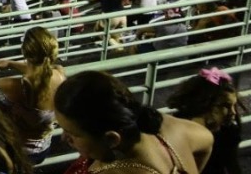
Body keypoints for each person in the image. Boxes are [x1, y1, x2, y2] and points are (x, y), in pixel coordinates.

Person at [53, 70, 214, 174]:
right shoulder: (167, 128)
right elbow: (207, 139)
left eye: (72, 133)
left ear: (111, 139)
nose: (64, 138)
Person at [0, 26, 66, 164]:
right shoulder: (61, 76)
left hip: (16, 152)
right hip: (42, 150)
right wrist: (9, 63)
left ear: (24, 51)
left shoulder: (14, 86)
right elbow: (40, 72)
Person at [167, 67, 243, 174]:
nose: (233, 112)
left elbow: (233, 167)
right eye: (225, 105)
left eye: (234, 106)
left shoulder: (229, 133)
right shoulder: (177, 127)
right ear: (206, 103)